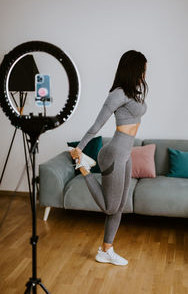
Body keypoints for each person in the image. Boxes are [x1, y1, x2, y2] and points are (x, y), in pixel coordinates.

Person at [69, 50, 148, 266]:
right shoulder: (117, 94)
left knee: (120, 206)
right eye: (142, 68)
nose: (144, 73)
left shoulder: (133, 93)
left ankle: (106, 250)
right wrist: (80, 149)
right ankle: (83, 167)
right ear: (133, 68)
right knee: (110, 207)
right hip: (113, 154)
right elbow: (97, 124)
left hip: (125, 154)